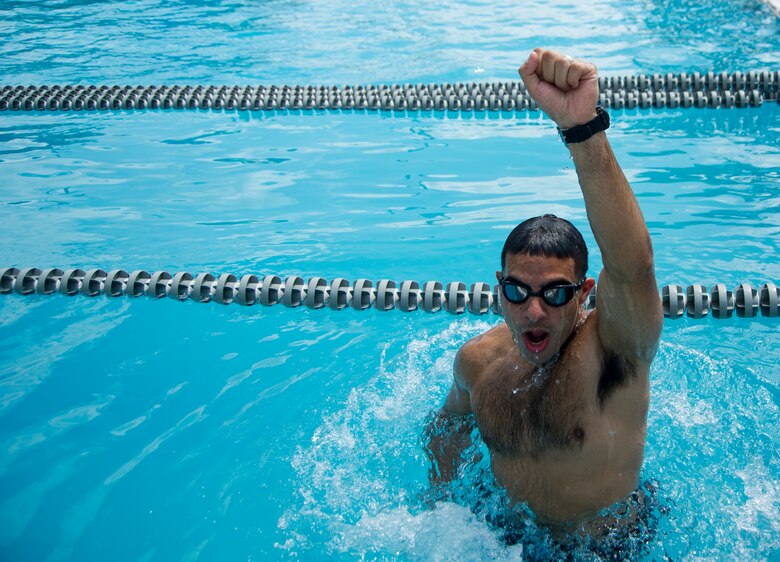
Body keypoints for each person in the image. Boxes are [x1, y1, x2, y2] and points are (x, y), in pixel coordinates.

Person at [424, 48, 663, 539]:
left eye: (555, 295)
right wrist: (441, 514)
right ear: (499, 289)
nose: (534, 310)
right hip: (511, 540)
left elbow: (633, 267)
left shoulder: (612, 354)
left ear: (585, 294)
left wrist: (583, 131)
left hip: (608, 545)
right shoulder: (477, 363)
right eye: (518, 292)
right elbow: (446, 430)